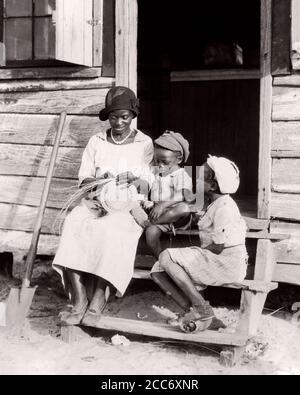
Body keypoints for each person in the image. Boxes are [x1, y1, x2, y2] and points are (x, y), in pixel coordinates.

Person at [52, 86, 154, 327]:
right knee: (73, 222)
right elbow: (84, 177)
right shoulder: (96, 141)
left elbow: (149, 183)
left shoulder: (144, 143)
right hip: (97, 201)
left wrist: (133, 179)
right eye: (113, 117)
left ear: (133, 116)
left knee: (113, 229)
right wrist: (97, 180)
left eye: (124, 117)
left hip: (127, 205)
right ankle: (79, 301)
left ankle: (97, 300)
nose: (119, 122)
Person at [150, 155, 248, 333]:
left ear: (212, 185)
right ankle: (199, 312)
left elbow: (218, 246)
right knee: (158, 270)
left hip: (227, 262)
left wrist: (192, 255)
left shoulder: (226, 207)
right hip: (216, 258)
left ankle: (202, 308)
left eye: (201, 177)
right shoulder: (216, 203)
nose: (196, 180)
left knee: (166, 256)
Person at [144, 131, 194, 258]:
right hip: (157, 214)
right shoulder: (154, 173)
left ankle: (151, 223)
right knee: (150, 233)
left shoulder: (181, 174)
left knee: (184, 208)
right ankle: (161, 260)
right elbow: (147, 190)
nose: (160, 165)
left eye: (165, 162)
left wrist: (162, 205)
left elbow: (184, 193)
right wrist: (147, 202)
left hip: (175, 217)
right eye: (156, 161)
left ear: (179, 159)